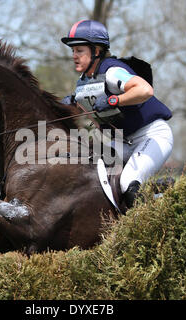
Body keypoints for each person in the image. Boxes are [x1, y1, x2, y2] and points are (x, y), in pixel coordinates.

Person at [61, 20, 174, 208]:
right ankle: (154, 190)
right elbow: (99, 121)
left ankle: (162, 209)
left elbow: (145, 90)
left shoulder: (112, 71)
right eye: (73, 51)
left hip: (152, 136)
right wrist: (73, 105)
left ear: (96, 51)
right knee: (91, 169)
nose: (74, 56)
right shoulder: (83, 83)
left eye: (79, 50)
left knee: (127, 182)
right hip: (124, 142)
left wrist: (115, 100)